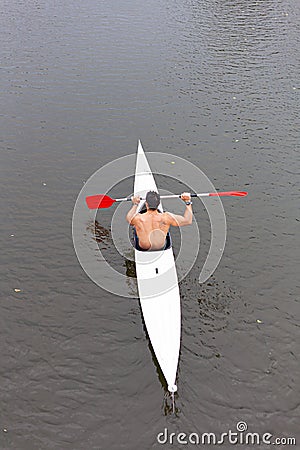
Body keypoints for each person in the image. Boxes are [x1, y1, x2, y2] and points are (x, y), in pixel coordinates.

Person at [126, 190, 193, 251]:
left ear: (146, 204)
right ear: (158, 204)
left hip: (143, 248)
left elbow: (129, 219)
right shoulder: (167, 217)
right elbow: (188, 220)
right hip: (161, 247)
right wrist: (188, 202)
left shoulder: (139, 218)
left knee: (136, 226)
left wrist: (135, 204)